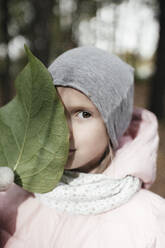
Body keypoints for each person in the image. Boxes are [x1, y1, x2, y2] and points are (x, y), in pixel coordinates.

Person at [0, 46, 165, 247]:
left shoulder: (152, 221)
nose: (64, 132)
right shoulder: (11, 196)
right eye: (54, 111)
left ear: (114, 124)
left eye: (83, 114)